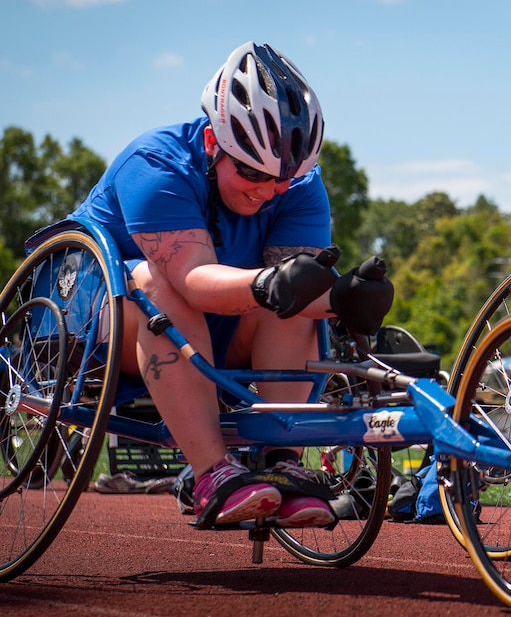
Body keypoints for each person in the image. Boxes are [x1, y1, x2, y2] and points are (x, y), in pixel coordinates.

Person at [71, 41, 393, 528]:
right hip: (96, 316)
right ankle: (211, 475)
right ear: (211, 145)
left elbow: (292, 281)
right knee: (157, 282)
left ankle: (283, 459)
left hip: (213, 326)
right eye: (249, 172)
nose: (265, 191)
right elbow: (193, 279)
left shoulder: (301, 185)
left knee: (297, 296)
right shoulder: (155, 165)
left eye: (281, 181)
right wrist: (272, 283)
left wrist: (343, 297)